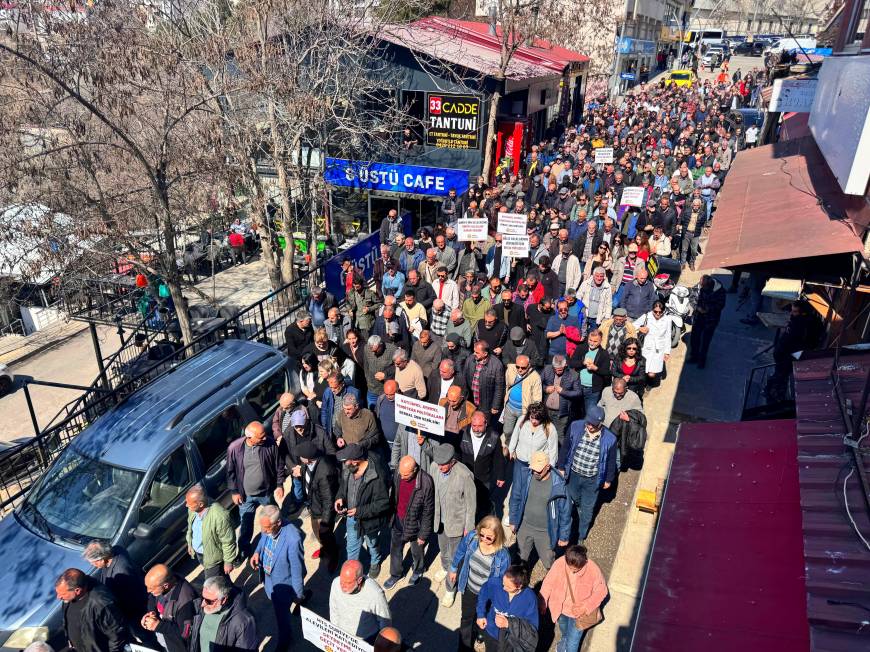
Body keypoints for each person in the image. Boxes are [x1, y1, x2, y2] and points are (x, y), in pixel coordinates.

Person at [449, 516, 511, 652]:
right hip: (470, 588)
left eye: (489, 537)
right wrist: (453, 568)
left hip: (487, 595)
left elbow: (504, 581)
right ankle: (464, 647)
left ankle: (480, 633)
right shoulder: (472, 538)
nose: (483, 539)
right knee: (466, 618)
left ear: (497, 536)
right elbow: (460, 551)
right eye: (482, 534)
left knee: (484, 616)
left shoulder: (503, 556)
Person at [557, 406, 617, 543]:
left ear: (600, 424)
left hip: (592, 479)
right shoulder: (575, 427)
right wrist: (561, 466)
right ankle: (572, 521)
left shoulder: (610, 439)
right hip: (574, 475)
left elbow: (611, 461)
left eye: (593, 424)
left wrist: (608, 479)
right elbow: (565, 447)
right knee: (573, 501)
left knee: (587, 511)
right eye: (588, 423)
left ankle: (581, 536)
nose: (589, 426)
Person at [249, 505, 305, 651]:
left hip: (283, 586)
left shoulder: (293, 539)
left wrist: (298, 594)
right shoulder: (267, 527)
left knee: (282, 619)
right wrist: (257, 552)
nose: (263, 530)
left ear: (278, 523)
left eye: (267, 528)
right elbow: (263, 538)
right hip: (269, 581)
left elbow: (297, 570)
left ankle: (285, 639)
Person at [227, 421, 285, 558]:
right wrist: (234, 492)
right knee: (245, 524)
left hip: (266, 492)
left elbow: (279, 464)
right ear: (249, 437)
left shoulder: (269, 443)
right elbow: (230, 472)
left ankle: (281, 540)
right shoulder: (234, 448)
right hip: (246, 496)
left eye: (265, 435)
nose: (265, 438)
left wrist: (279, 485)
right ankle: (243, 551)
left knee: (274, 519)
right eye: (261, 437)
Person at [429, 443, 477, 607]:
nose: (440, 467)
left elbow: (471, 505)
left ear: (453, 461)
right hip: (439, 520)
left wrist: (468, 528)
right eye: (439, 463)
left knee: (455, 558)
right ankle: (444, 566)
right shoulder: (434, 467)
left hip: (457, 524)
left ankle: (450, 589)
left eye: (444, 464)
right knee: (443, 549)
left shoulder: (464, 475)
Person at [335, 443, 392, 577]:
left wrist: (360, 511)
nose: (344, 463)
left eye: (346, 460)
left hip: (369, 521)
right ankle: (352, 574)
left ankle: (375, 561)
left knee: (371, 543)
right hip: (352, 518)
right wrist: (340, 497)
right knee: (352, 547)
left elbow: (383, 503)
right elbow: (343, 487)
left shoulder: (377, 476)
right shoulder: (348, 468)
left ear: (356, 461)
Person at [539, 544, 608, 652]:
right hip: (561, 610)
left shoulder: (592, 569)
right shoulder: (560, 563)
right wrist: (543, 601)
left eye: (575, 569)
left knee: (573, 643)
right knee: (565, 632)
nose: (571, 571)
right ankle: (564, 643)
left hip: (579, 613)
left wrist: (586, 606)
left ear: (584, 562)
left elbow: (602, 590)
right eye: (569, 567)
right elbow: (548, 582)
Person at [509, 451, 571, 571]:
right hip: (524, 526)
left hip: (546, 532)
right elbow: (515, 497)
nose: (535, 473)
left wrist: (564, 535)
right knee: (521, 559)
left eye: (539, 470)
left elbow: (565, 512)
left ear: (548, 467)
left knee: (549, 562)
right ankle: (521, 582)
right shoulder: (524, 476)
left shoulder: (558, 484)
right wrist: (513, 519)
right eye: (533, 469)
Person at [384, 456, 435, 589]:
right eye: (401, 474)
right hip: (397, 520)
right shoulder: (398, 473)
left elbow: (428, 511)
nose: (402, 477)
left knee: (417, 551)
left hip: (415, 525)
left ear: (415, 470)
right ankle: (396, 574)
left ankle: (418, 571)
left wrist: (423, 534)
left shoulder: (426, 482)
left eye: (406, 475)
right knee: (395, 549)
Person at [56, 568, 128, 652]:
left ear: (77, 591)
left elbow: (117, 636)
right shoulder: (68, 598)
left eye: (62, 594)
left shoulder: (101, 603)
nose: (58, 597)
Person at [295, 441, 339, 570]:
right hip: (313, 506)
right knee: (317, 532)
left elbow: (328, 500)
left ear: (308, 458)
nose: (299, 458)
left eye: (301, 456)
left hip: (321, 510)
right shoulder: (308, 464)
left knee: (326, 534)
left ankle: (333, 557)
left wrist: (325, 522)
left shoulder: (325, 471)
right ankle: (324, 547)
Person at [475, 565, 539, 652]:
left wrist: (508, 623)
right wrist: (480, 614)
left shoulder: (529, 598)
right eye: (503, 584)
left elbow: (531, 628)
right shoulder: (497, 583)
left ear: (519, 586)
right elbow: (483, 592)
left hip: (511, 640)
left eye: (508, 587)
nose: (504, 588)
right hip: (491, 632)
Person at [82, 541, 146, 625]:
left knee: (145, 635)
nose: (93, 565)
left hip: (135, 613)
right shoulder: (116, 550)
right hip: (132, 609)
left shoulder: (121, 571)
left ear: (102, 559)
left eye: (93, 562)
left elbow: (130, 598)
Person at [458, 410, 506, 521]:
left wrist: (501, 476)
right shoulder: (463, 432)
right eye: (474, 426)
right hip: (466, 476)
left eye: (480, 426)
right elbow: (457, 453)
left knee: (483, 504)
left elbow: (498, 458)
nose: (476, 429)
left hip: (484, 478)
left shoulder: (493, 436)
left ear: (486, 423)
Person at [190, 575, 257, 652]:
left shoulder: (243, 622)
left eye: (208, 601)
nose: (203, 604)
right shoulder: (206, 608)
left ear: (223, 599)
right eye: (203, 598)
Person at [330, 560, 392, 643]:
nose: (342, 586)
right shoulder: (336, 583)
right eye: (341, 580)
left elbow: (385, 620)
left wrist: (382, 642)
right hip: (343, 637)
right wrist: (334, 631)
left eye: (348, 582)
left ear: (359, 580)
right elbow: (334, 610)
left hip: (367, 639)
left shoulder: (375, 593)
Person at [185, 484, 237, 578]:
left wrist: (228, 561)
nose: (186, 505)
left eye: (189, 503)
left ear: (200, 504)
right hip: (201, 554)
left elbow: (228, 541)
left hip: (214, 558)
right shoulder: (192, 510)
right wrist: (190, 543)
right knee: (222, 582)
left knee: (213, 586)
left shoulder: (220, 516)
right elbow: (190, 527)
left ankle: (238, 593)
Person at [141, 564, 198, 652]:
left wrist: (158, 626)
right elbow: (152, 598)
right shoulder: (161, 586)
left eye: (151, 588)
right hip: (167, 639)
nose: (148, 591)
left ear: (166, 585)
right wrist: (151, 612)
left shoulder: (185, 602)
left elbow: (186, 634)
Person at [568, 329, 612, 417]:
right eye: (590, 340)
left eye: (595, 341)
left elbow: (606, 372)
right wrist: (582, 362)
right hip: (578, 386)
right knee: (575, 412)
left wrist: (595, 368)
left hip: (593, 390)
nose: (592, 343)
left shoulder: (604, 354)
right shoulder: (581, 348)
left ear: (600, 341)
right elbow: (571, 363)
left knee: (589, 414)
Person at [541, 354, 581, 447]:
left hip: (561, 413)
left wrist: (563, 391)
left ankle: (563, 456)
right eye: (556, 369)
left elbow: (578, 393)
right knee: (544, 432)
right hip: (546, 410)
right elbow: (538, 383)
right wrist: (545, 388)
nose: (558, 371)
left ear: (565, 365)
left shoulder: (573, 375)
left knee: (559, 436)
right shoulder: (547, 369)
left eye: (561, 369)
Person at [688, 275, 726, 368]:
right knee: (695, 338)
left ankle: (702, 360)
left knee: (706, 341)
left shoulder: (720, 290)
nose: (702, 288)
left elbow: (721, 305)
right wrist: (697, 307)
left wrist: (707, 309)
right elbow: (692, 298)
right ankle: (694, 357)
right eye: (702, 286)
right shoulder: (699, 286)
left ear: (709, 285)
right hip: (698, 317)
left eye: (704, 287)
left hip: (711, 320)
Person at [502, 354, 543, 438]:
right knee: (507, 431)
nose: (520, 370)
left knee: (521, 434)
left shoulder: (535, 377)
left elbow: (537, 398)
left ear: (529, 365)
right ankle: (509, 447)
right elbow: (507, 385)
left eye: (523, 367)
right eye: (518, 367)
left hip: (524, 411)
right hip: (510, 407)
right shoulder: (510, 370)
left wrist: (532, 413)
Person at [463, 341, 506, 420]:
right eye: (474, 351)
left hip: (486, 404)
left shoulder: (496, 365)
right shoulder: (470, 359)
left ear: (485, 354)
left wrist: (495, 406)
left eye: (477, 352)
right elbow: (464, 378)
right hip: (471, 400)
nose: (474, 354)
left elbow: (499, 388)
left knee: (484, 424)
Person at [634, 300, 674, 383]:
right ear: (652, 310)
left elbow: (667, 336)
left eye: (660, 312)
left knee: (652, 373)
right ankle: (642, 384)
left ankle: (650, 382)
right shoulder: (646, 316)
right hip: (646, 346)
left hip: (659, 348)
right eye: (655, 311)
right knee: (644, 368)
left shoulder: (667, 319)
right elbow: (633, 325)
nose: (658, 314)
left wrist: (667, 352)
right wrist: (640, 328)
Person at [577, 267, 612, 334]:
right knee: (581, 333)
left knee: (593, 335)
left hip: (597, 318)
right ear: (593, 276)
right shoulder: (586, 283)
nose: (599, 278)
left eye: (601, 276)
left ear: (604, 277)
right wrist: (579, 309)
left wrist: (607, 317)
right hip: (585, 314)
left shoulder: (607, 287)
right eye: (597, 276)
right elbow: (579, 296)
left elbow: (609, 303)